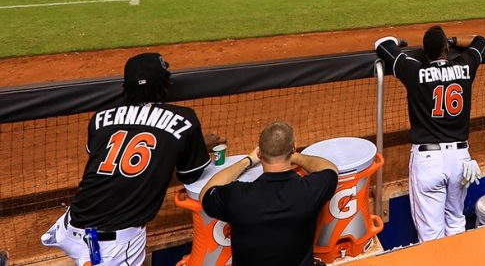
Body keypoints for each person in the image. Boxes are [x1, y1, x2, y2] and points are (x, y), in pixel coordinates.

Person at [42, 53, 218, 266]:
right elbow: (192, 175)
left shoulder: (100, 117)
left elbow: (107, 166)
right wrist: (186, 150)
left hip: (72, 224)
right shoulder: (184, 119)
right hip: (113, 247)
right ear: (165, 84)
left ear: (125, 86)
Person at [375, 28, 484, 240]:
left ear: (425, 53)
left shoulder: (413, 70)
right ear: (446, 49)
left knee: (431, 238)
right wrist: (453, 40)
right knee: (456, 223)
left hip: (428, 161)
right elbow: (479, 40)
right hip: (461, 161)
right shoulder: (465, 66)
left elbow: (382, 44)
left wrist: (400, 41)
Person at [200, 122, 338, 266]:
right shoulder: (309, 190)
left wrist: (247, 161)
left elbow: (205, 193)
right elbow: (330, 169)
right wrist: (294, 156)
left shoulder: (238, 196)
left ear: (259, 153)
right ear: (293, 148)